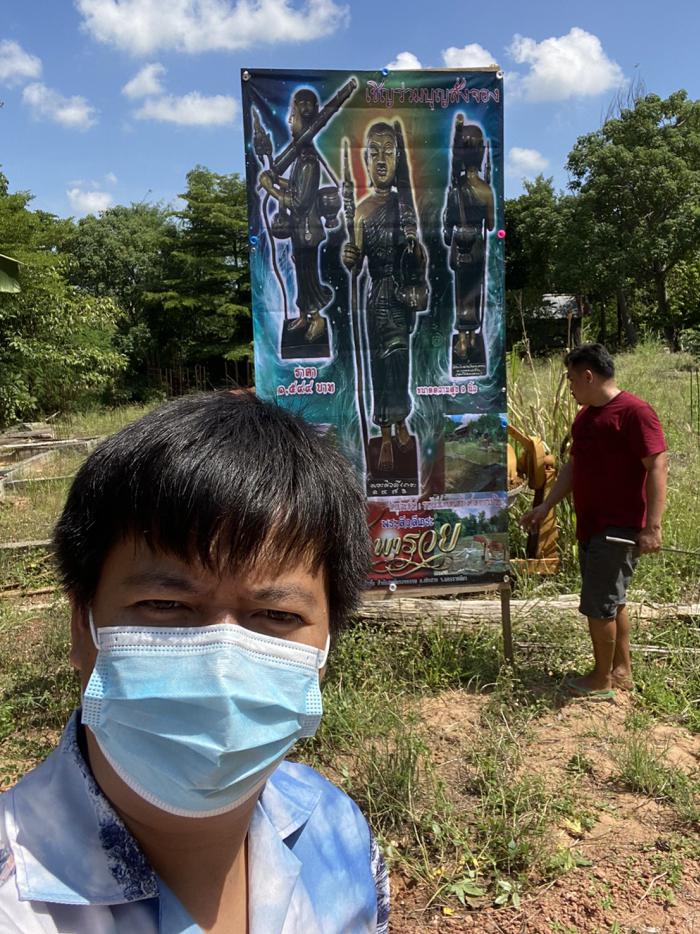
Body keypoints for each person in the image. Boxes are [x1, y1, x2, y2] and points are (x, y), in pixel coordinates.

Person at [0, 392, 389, 933]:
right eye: (166, 606)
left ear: (325, 648)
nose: (221, 665)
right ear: (80, 625)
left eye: (275, 615)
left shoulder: (336, 831)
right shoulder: (15, 901)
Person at [521, 344, 667, 699]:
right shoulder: (586, 417)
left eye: (571, 379)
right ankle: (620, 671)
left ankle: (600, 680)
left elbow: (658, 466)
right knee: (613, 601)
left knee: (599, 603)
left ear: (589, 376)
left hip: (618, 528)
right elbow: (575, 467)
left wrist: (653, 527)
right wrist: (546, 506)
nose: (569, 386)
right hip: (591, 525)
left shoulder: (634, 412)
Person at [342, 120, 427, 473]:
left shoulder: (405, 206)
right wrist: (351, 256)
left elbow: (416, 255)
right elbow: (357, 259)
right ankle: (386, 434)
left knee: (400, 364)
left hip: (401, 295)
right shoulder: (361, 211)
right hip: (377, 297)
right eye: (374, 152)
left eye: (388, 152)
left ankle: (402, 423)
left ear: (396, 160)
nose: (381, 160)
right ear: (365, 161)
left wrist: (412, 248)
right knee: (381, 364)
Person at [259, 88, 334, 344]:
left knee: (309, 275)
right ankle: (303, 313)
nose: (290, 121)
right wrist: (276, 180)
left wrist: (271, 188)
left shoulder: (310, 162)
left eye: (293, 116)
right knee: (301, 274)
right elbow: (294, 188)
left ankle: (317, 318)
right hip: (299, 232)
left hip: (307, 230)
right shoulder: (301, 158)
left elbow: (300, 202)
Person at [442, 117, 494, 362]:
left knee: (461, 293)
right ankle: (471, 336)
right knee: (473, 292)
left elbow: (448, 221)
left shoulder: (455, 189)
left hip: (460, 247)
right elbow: (491, 224)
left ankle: (464, 338)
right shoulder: (486, 190)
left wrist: (448, 231)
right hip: (477, 246)